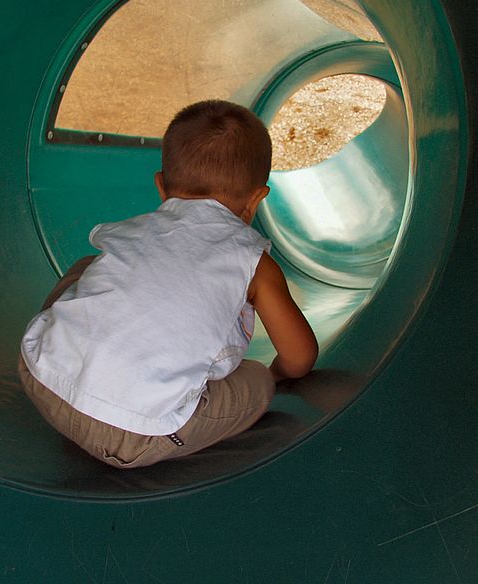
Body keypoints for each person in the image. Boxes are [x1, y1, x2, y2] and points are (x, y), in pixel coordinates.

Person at [18, 99, 317, 469]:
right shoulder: (255, 263)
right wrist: (276, 374)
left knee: (87, 267)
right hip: (137, 434)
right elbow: (300, 356)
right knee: (256, 381)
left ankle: (65, 339)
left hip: (41, 380)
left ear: (161, 186)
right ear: (257, 199)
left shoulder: (129, 229)